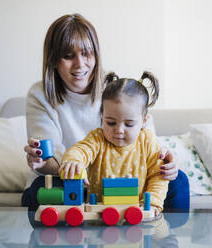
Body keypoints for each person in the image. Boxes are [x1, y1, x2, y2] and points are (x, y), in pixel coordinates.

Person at [22, 13, 182, 211]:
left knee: (177, 180)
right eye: (68, 56)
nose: (80, 64)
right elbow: (52, 159)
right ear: (54, 60)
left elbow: (148, 146)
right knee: (40, 190)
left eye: (87, 53)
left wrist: (167, 162)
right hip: (71, 178)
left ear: (96, 55)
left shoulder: (117, 89)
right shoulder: (41, 95)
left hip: (121, 174)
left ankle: (164, 237)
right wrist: (51, 163)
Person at [61, 72, 168, 216]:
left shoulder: (147, 141)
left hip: (137, 214)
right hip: (98, 215)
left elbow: (158, 175)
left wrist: (153, 203)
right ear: (102, 117)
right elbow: (81, 149)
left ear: (144, 121)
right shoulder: (97, 138)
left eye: (129, 124)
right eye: (110, 123)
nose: (119, 130)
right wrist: (74, 160)